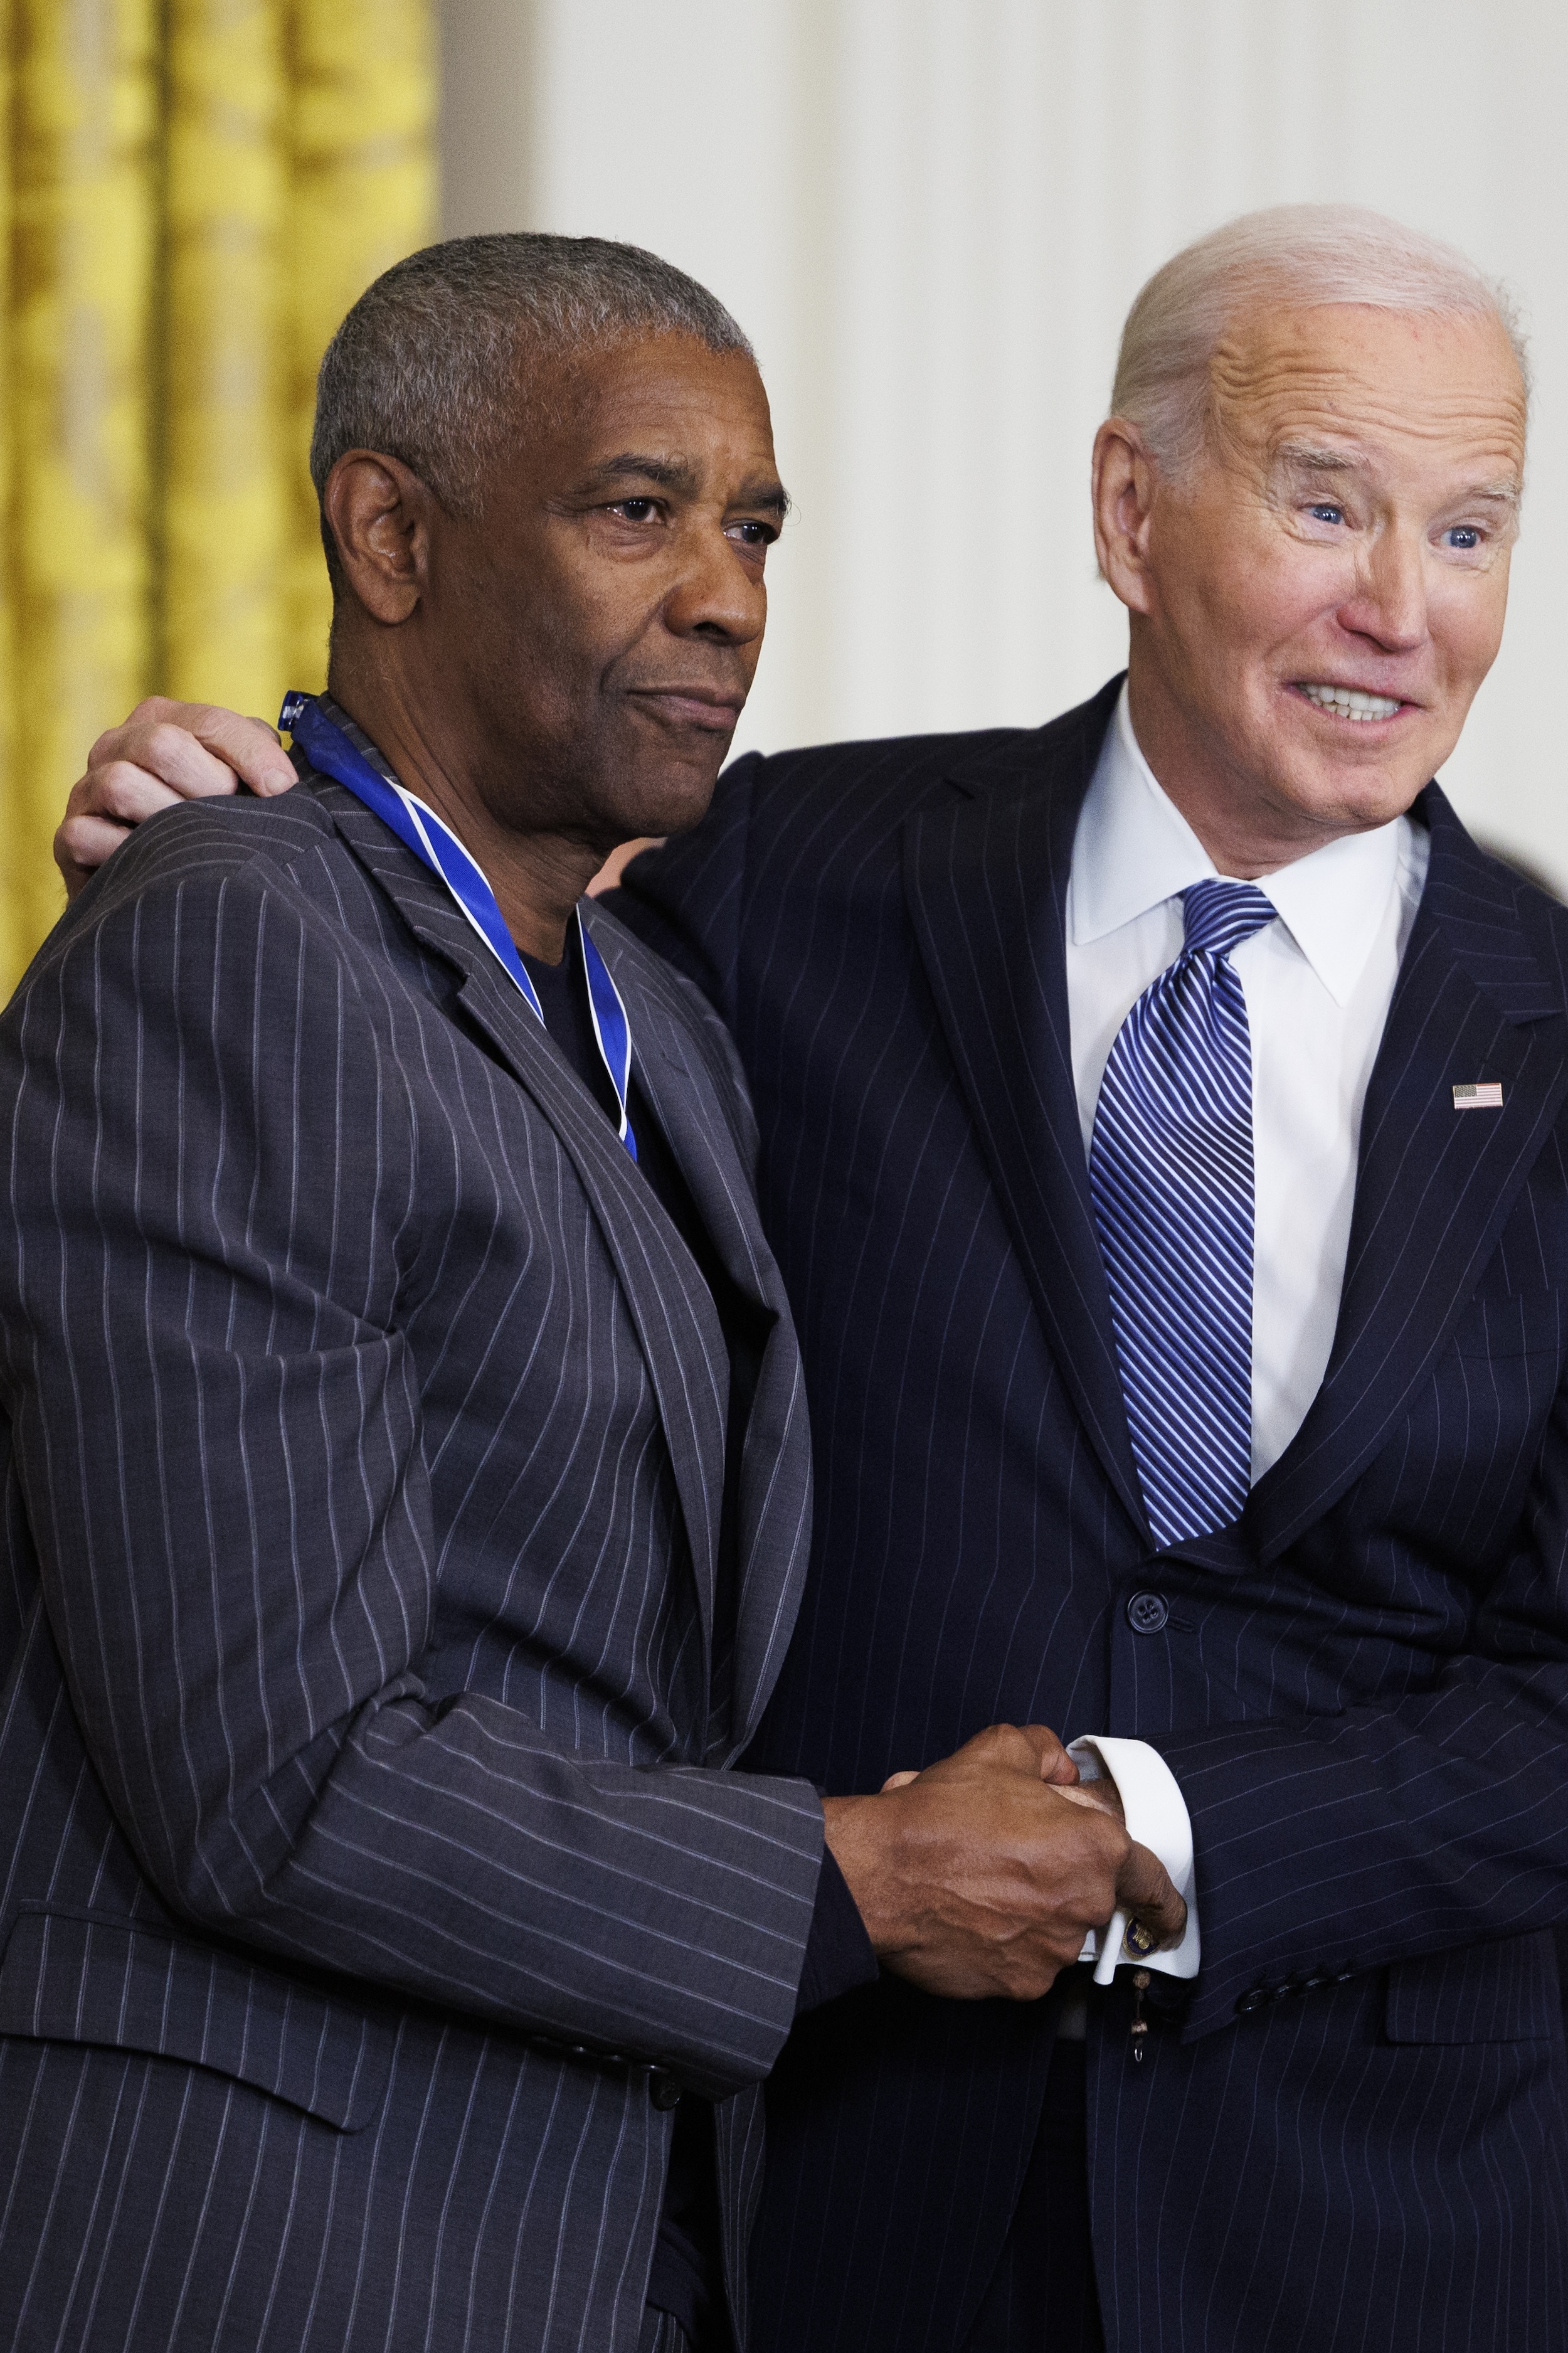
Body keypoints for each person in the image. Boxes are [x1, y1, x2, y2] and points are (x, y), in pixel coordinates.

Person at [54, 201, 1568, 2351]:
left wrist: (1155, 1827)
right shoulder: (770, 876)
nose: (1397, 611)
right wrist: (233, 803)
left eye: (1471, 531)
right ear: (1129, 513)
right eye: (1326, 506)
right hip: (828, 2189)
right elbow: (436, 952)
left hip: (1384, 2221)